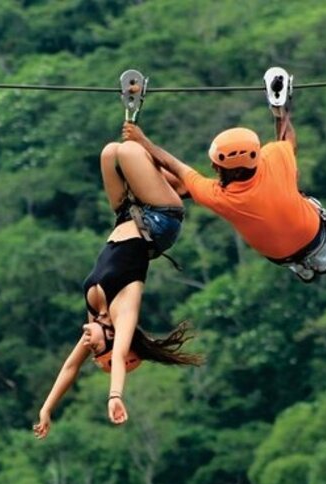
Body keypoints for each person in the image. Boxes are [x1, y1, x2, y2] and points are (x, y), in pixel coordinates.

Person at [33, 140, 203, 440]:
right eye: (96, 347)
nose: (87, 341)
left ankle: (167, 185)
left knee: (110, 152)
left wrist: (46, 409)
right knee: (128, 151)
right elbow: (121, 353)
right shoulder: (124, 312)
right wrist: (114, 396)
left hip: (127, 214)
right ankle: (178, 184)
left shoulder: (95, 319)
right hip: (160, 220)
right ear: (111, 338)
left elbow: (70, 367)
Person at [122, 109, 326, 282]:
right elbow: (288, 137)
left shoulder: (222, 197)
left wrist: (141, 145)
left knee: (301, 255)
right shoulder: (275, 156)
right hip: (316, 239)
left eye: (217, 165)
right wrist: (281, 110)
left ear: (231, 171)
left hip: (281, 257)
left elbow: (178, 172)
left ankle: (302, 269)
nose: (212, 167)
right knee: (322, 254)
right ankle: (318, 267)